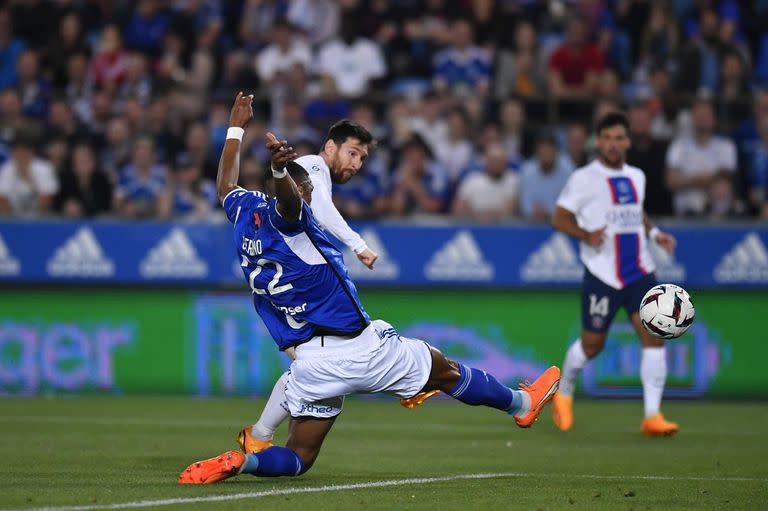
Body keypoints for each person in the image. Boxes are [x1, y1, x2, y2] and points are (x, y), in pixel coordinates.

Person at [178, 92, 560, 483]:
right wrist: (281, 175)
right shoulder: (291, 221)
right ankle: (521, 404)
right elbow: (290, 207)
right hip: (360, 349)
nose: (312, 198)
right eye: (309, 192)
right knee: (442, 367)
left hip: (312, 362)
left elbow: (225, 183)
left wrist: (235, 127)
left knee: (300, 457)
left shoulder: (243, 210)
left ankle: (247, 459)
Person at [235, 116, 385, 456]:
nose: (356, 164)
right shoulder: (312, 165)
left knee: (311, 364)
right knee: (323, 360)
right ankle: (260, 434)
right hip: (292, 284)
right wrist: (358, 244)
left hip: (279, 284)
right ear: (330, 147)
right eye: (353, 153)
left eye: (362, 158)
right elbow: (321, 208)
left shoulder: (303, 172)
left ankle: (260, 435)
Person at [549, 111, 679, 437]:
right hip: (603, 273)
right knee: (593, 345)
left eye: (619, 137)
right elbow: (559, 218)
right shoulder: (583, 178)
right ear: (598, 141)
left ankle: (652, 415)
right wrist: (586, 235)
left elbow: (636, 213)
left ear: (627, 142)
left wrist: (654, 234)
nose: (612, 143)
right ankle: (564, 392)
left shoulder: (636, 176)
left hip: (639, 270)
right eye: (606, 137)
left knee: (653, 335)